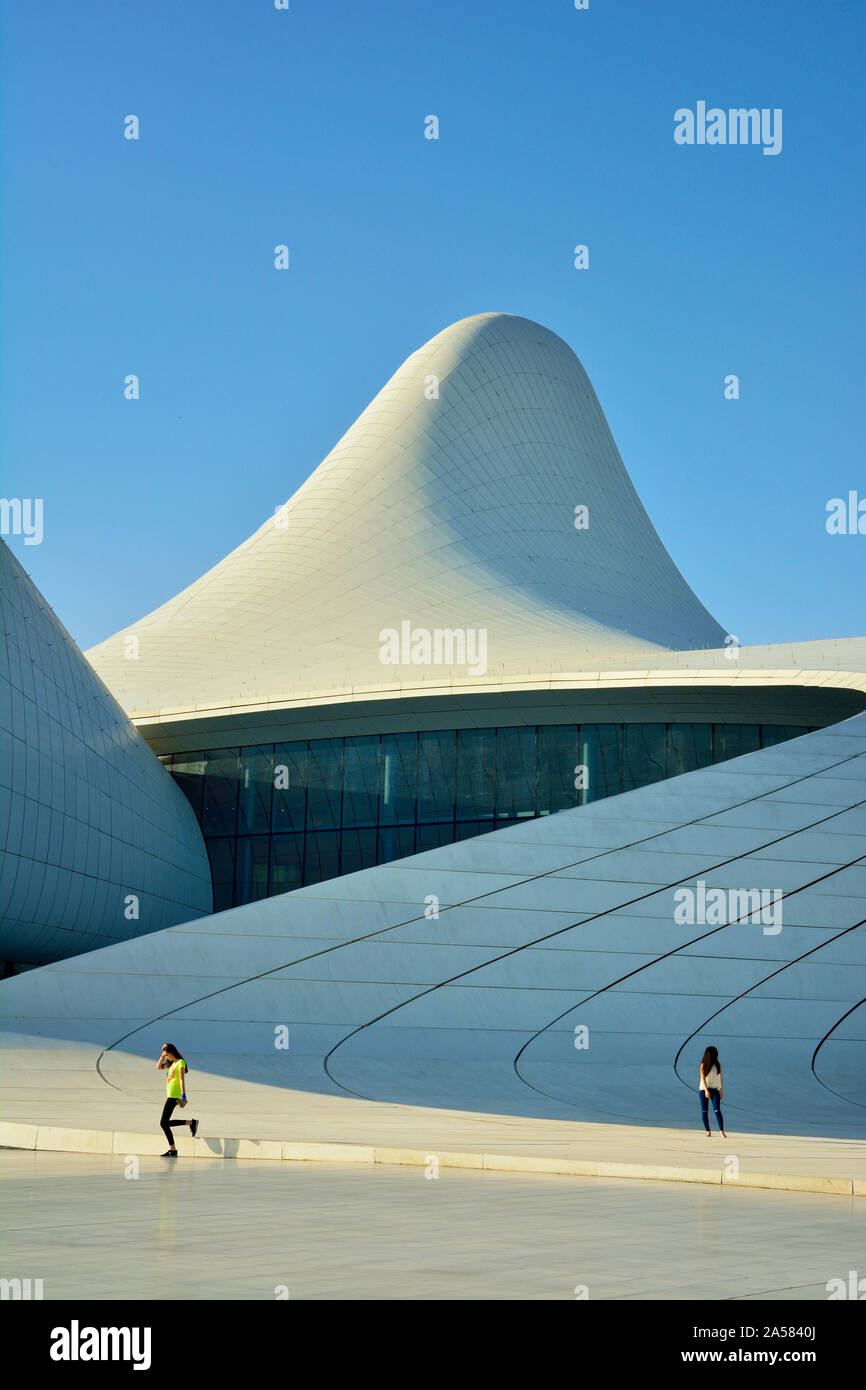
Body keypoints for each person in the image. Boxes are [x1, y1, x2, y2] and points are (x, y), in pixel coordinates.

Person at [157, 1042, 198, 1156]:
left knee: (163, 1123)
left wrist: (184, 1095)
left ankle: (173, 1150)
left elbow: (181, 1079)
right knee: (164, 1123)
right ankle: (191, 1123)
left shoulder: (180, 1062)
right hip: (170, 1095)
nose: (166, 1057)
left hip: (175, 1095)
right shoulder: (171, 1063)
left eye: (166, 1055)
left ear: (172, 1052)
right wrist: (162, 1054)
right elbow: (158, 1067)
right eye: (165, 1056)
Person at [698, 1045, 726, 1137]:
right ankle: (708, 1131)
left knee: (717, 1109)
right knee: (704, 1111)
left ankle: (721, 1131)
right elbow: (702, 1078)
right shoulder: (703, 1065)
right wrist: (706, 1091)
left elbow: (720, 1078)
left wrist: (721, 1090)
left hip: (715, 1089)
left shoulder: (718, 1065)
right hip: (704, 1089)